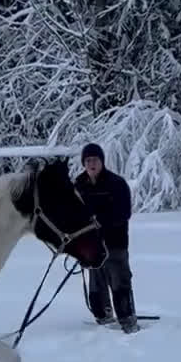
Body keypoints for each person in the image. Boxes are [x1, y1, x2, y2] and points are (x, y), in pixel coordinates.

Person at [74, 142, 139, 333]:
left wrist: (100, 220)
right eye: (87, 160)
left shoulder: (116, 183)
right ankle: (103, 317)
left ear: (102, 161)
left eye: (95, 159)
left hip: (115, 244)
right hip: (92, 247)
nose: (91, 164)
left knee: (120, 282)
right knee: (96, 285)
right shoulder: (79, 185)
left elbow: (124, 212)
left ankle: (127, 319)